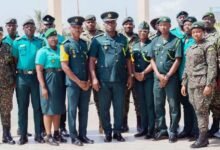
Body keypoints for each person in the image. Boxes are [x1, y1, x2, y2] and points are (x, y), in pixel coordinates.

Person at [89, 11, 133, 142]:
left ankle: (118, 132)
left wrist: (130, 76)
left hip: (119, 79)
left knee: (119, 108)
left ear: (116, 23)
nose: (110, 24)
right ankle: (107, 132)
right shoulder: (97, 40)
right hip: (103, 80)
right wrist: (94, 78)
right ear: (103, 24)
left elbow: (128, 59)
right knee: (104, 108)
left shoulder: (123, 39)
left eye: (112, 22)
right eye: (107, 22)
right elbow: (91, 60)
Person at [181, 21, 217, 148]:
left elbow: (212, 67)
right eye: (194, 32)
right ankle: (203, 136)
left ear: (203, 32)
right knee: (197, 109)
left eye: (198, 31)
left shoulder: (208, 46)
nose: (196, 34)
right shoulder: (191, 48)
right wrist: (184, 83)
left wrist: (209, 85)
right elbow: (187, 67)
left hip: (202, 84)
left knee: (202, 111)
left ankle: (203, 138)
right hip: (191, 85)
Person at [60, 16, 94, 146]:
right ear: (70, 28)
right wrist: (78, 81)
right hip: (73, 84)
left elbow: (88, 63)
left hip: (85, 83)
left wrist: (89, 80)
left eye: (79, 27)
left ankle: (83, 135)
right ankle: (74, 137)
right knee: (72, 110)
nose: (77, 29)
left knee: (84, 110)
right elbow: (65, 66)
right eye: (75, 27)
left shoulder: (84, 44)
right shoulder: (66, 45)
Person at [149, 16, 182, 143]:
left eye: (165, 24)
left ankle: (173, 130)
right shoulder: (154, 41)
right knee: (158, 105)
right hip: (157, 78)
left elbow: (178, 60)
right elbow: (152, 59)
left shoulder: (176, 41)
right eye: (161, 25)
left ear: (169, 25)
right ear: (158, 27)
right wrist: (158, 74)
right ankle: (162, 130)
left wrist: (167, 76)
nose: (163, 27)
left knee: (173, 105)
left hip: (171, 78)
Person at [12, 19, 45, 145]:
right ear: (23, 28)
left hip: (36, 78)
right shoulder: (17, 43)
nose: (29, 28)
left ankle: (38, 134)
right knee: (22, 108)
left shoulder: (40, 42)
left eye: (31, 26)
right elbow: (15, 60)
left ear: (35, 28)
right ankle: (23, 136)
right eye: (26, 26)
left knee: (37, 107)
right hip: (22, 78)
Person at [36, 28, 67, 146]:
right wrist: (43, 87)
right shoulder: (42, 51)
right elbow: (39, 70)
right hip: (48, 78)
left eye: (55, 37)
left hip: (60, 78)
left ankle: (56, 132)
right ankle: (48, 135)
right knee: (48, 109)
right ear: (47, 39)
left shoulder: (61, 49)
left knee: (58, 108)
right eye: (51, 37)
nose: (54, 39)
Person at [80, 14, 104, 134]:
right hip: (84, 72)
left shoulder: (102, 34)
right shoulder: (81, 35)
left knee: (100, 100)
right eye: (88, 22)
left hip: (98, 71)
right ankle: (82, 130)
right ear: (85, 24)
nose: (90, 24)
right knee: (84, 102)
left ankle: (102, 125)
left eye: (92, 22)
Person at [131, 21, 155, 139]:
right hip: (137, 78)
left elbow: (153, 62)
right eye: (140, 31)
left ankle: (151, 129)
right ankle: (143, 129)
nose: (142, 33)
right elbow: (131, 62)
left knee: (150, 104)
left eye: (145, 31)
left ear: (148, 32)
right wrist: (135, 74)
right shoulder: (134, 45)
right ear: (137, 32)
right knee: (141, 104)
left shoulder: (152, 44)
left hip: (148, 78)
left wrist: (144, 73)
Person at [177, 16, 199, 140]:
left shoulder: (196, 41)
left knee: (195, 105)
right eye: (185, 24)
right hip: (182, 78)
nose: (187, 26)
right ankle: (187, 129)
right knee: (186, 105)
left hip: (194, 79)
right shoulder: (181, 40)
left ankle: (196, 131)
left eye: (189, 24)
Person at [202, 12, 220, 137]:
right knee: (203, 102)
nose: (207, 21)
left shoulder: (217, 36)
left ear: (214, 21)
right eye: (205, 19)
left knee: (216, 102)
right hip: (201, 74)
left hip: (215, 73)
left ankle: (215, 126)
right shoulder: (199, 34)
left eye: (210, 19)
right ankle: (203, 128)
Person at [121, 16, 140, 132]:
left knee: (138, 100)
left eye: (130, 24)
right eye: (126, 24)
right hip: (124, 73)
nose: (128, 26)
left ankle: (140, 123)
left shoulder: (138, 38)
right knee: (124, 100)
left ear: (133, 25)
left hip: (137, 72)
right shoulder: (120, 39)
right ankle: (124, 123)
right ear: (123, 26)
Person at [0, 26, 16, 144]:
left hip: (6, 85)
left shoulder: (7, 48)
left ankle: (6, 134)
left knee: (6, 111)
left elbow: (12, 65)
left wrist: (14, 81)